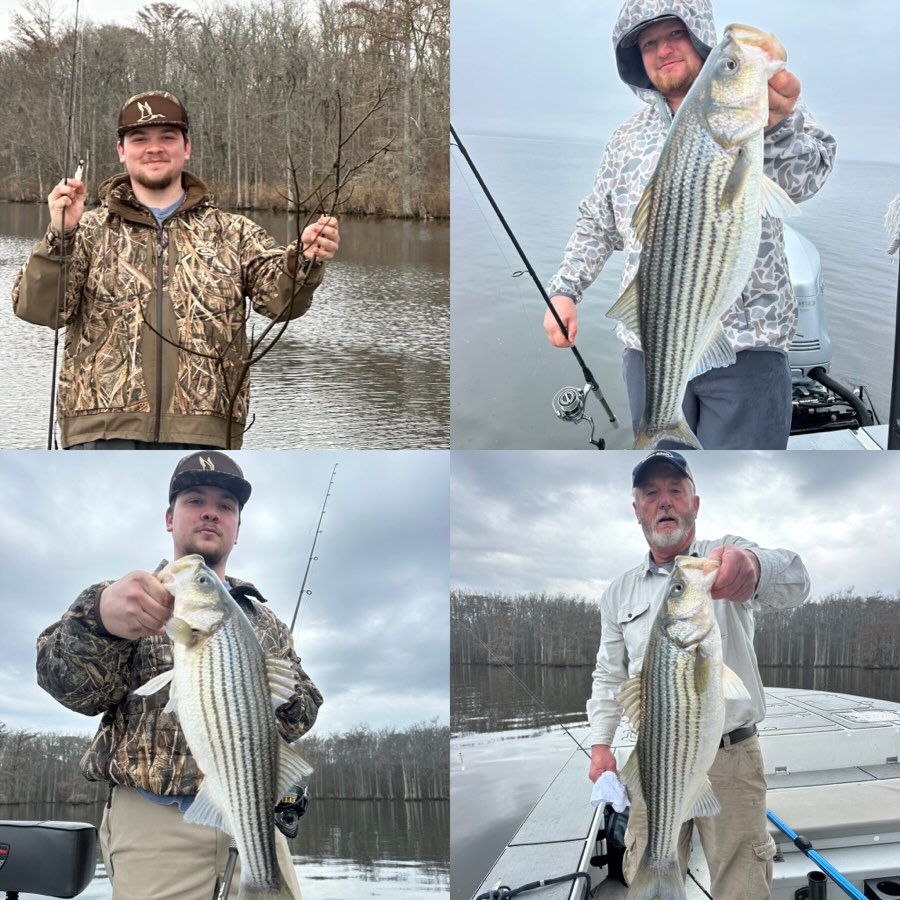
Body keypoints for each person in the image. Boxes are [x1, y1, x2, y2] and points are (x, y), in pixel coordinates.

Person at [544, 0, 836, 449]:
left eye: (675, 34)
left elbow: (810, 176)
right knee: (664, 474)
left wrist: (778, 126)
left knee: (743, 480)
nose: (663, 49)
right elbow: (598, 222)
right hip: (651, 345)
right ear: (636, 58)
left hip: (748, 346)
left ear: (700, 37)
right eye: (648, 43)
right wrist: (565, 290)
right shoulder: (625, 139)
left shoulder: (766, 112)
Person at [36, 451, 323, 899]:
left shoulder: (265, 623)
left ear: (237, 529)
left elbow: (305, 708)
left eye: (226, 506)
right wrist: (99, 620)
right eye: (195, 500)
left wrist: (264, 694)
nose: (211, 512)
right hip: (154, 830)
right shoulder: (125, 600)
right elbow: (71, 688)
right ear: (170, 518)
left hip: (255, 816)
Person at [12, 90, 341, 450]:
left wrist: (304, 259)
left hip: (205, 433)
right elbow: (40, 310)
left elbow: (282, 304)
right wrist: (60, 235)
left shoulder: (233, 233)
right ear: (121, 151)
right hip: (100, 433)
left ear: (187, 148)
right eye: (140, 139)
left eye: (167, 137)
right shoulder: (87, 231)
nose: (154, 149)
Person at [587, 450, 810, 897]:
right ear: (637, 509)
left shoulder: (720, 557)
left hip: (732, 754)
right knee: (647, 872)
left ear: (695, 503)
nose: (664, 501)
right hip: (655, 757)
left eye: (676, 490)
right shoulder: (618, 593)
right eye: (651, 493)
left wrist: (754, 568)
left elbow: (797, 581)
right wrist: (600, 745)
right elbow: (610, 675)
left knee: (743, 885)